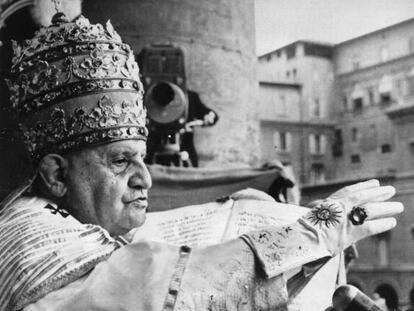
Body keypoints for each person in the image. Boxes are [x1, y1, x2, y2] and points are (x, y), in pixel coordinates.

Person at [0, 12, 403, 311]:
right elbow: (154, 288)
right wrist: (313, 232)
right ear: (55, 174)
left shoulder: (81, 224)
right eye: (121, 161)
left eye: (143, 159)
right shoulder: (28, 235)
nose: (145, 179)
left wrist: (293, 239)